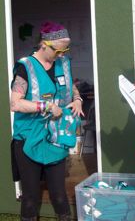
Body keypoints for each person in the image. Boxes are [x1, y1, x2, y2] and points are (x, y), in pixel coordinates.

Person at [10, 21, 84, 221]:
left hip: (56, 138)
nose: (62, 54)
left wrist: (77, 99)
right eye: (59, 50)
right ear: (44, 44)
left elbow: (71, 86)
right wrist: (47, 106)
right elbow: (15, 104)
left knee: (59, 194)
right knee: (31, 197)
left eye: (65, 50)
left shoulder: (63, 63)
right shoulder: (25, 67)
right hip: (29, 139)